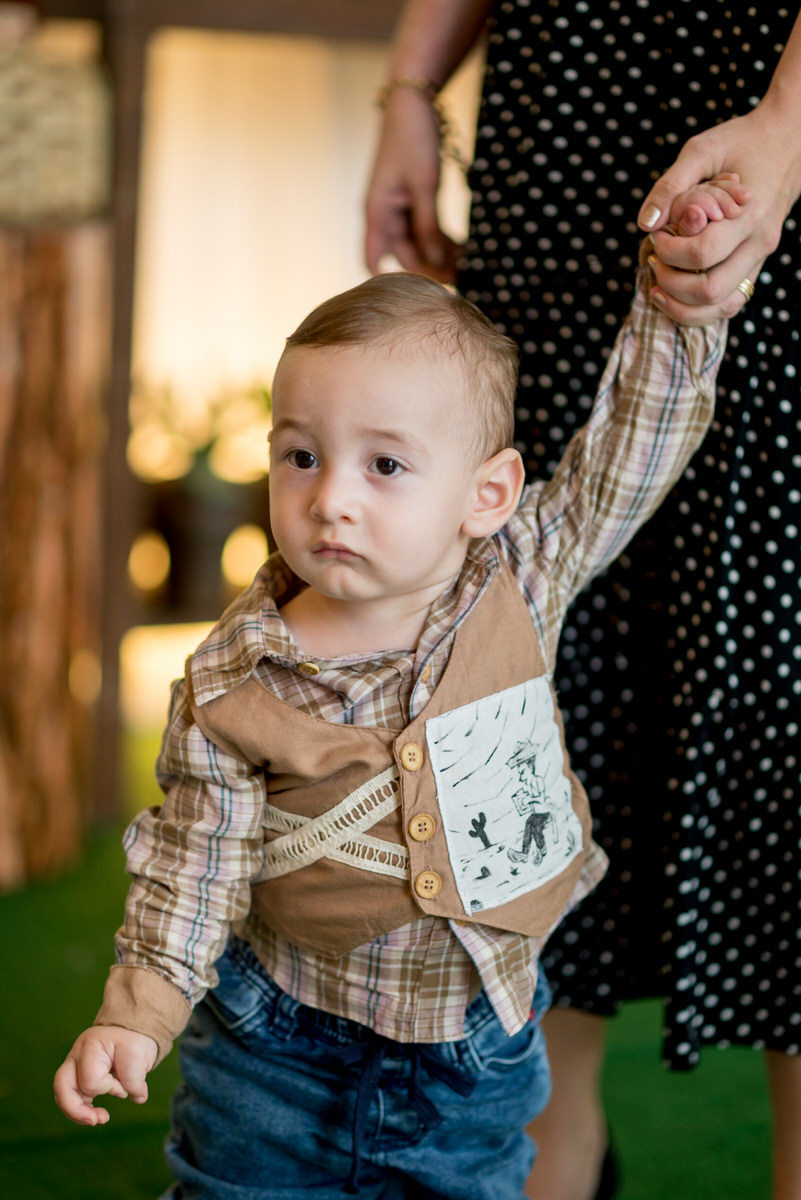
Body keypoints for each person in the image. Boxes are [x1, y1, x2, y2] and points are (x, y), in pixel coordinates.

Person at [54, 204, 728, 1197]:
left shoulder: (520, 575)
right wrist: (138, 1013)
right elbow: (193, 866)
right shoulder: (233, 674)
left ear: (486, 495)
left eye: (384, 464)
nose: (330, 497)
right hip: (272, 1051)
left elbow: (630, 450)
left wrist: (681, 310)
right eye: (300, 455)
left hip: (477, 1053)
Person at [364, 4, 801, 1199]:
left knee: (785, 679)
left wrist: (787, 123)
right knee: (531, 675)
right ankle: (550, 1159)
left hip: (770, 69)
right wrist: (411, 88)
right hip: (564, 112)